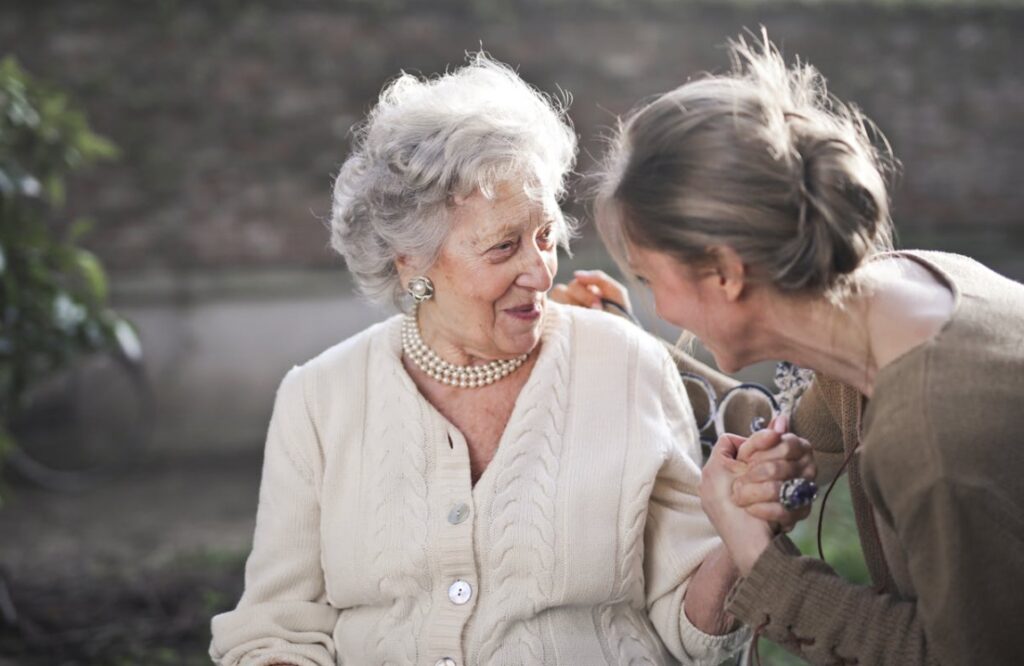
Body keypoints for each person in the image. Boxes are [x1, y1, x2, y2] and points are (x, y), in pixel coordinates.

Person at [209, 54, 813, 666]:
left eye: (546, 236)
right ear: (410, 262)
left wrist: (738, 531)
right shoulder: (318, 398)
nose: (541, 269)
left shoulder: (626, 364)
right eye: (504, 247)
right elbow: (277, 627)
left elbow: (694, 634)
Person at [568, 31, 1024, 665]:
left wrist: (757, 558)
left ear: (724, 272)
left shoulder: (932, 436)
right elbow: (794, 437)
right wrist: (616, 336)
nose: (661, 307)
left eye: (649, 280)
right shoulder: (904, 289)